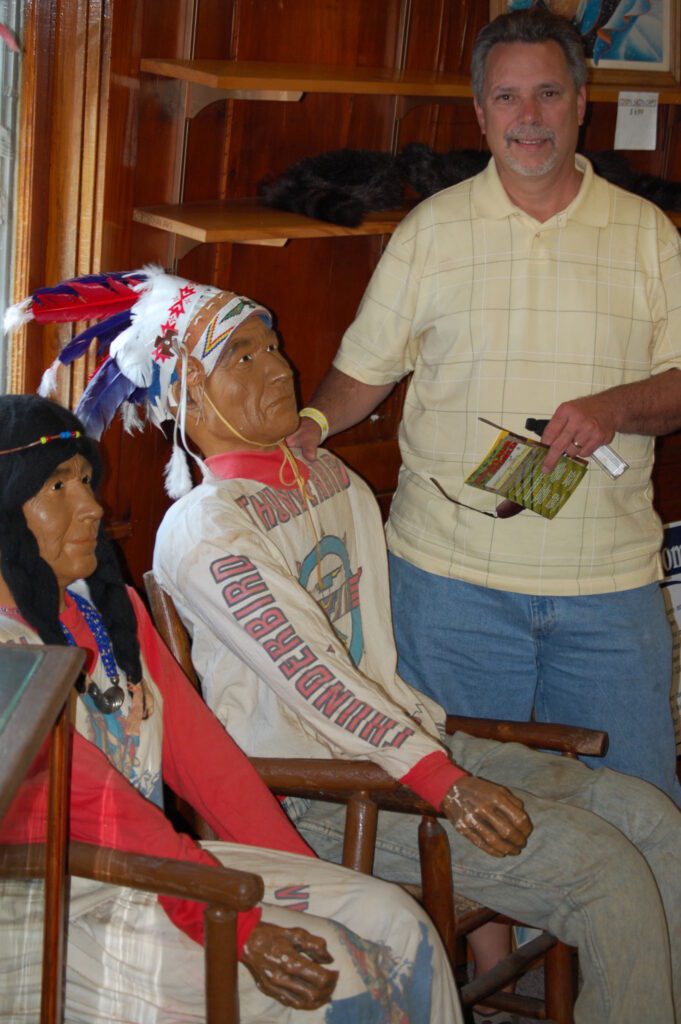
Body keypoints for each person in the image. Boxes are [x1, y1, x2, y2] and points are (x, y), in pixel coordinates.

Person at [9, 269, 681, 1024]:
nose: (281, 370)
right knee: (604, 872)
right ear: (187, 395)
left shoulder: (326, 474)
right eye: (242, 358)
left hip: (408, 741)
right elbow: (313, 677)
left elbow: (366, 662)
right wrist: (442, 781)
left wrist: (435, 753)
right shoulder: (207, 530)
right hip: (322, 789)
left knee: (650, 815)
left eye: (274, 348)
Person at [290, 7, 681, 806]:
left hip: (609, 588)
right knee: (463, 817)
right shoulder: (428, 232)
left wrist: (614, 405)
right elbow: (363, 372)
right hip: (446, 585)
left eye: (546, 93)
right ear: (479, 112)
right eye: (507, 98)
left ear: (580, 101)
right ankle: (489, 942)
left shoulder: (649, 236)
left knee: (642, 811)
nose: (527, 118)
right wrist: (308, 430)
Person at [0, 394, 461, 1024]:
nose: (91, 507)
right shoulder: (7, 653)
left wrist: (297, 878)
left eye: (86, 480)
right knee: (335, 971)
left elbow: (206, 763)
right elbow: (92, 807)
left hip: (150, 873)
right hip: (49, 907)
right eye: (56, 487)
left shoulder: (110, 615)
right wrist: (240, 924)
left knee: (397, 922)